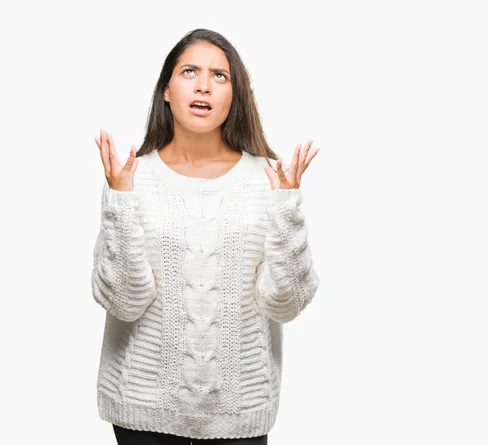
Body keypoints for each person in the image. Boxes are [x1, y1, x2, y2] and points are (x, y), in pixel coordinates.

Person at [91, 28, 320, 444]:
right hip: (143, 412)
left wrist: (287, 209)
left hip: (239, 413)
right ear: (166, 90)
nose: (203, 85)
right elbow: (123, 303)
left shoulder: (268, 178)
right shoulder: (131, 178)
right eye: (189, 71)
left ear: (235, 94)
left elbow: (285, 305)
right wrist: (120, 203)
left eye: (220, 76)